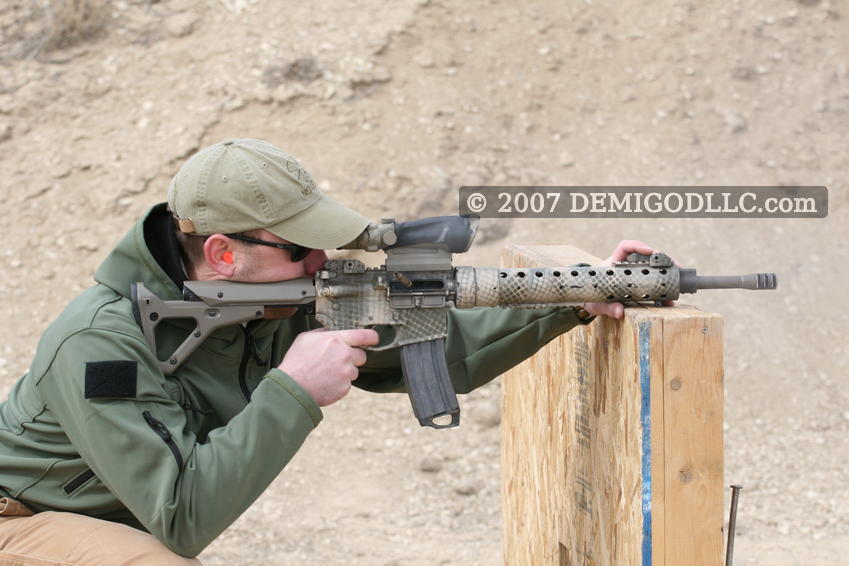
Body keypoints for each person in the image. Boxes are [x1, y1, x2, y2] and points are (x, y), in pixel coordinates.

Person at [0, 139, 655, 564]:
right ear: (224, 254)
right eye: (300, 247)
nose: (323, 260)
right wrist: (293, 389)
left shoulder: (279, 298)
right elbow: (182, 514)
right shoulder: (101, 342)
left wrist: (573, 296)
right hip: (21, 518)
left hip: (116, 513)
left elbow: (438, 350)